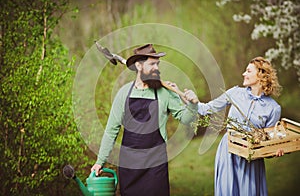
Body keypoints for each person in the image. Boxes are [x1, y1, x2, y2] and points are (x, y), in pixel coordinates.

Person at [91, 44, 199, 196]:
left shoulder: (165, 93)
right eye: (152, 64)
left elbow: (186, 119)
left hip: (156, 164)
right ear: (138, 65)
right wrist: (99, 162)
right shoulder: (123, 93)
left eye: (158, 64)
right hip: (129, 165)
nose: (156, 68)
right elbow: (111, 131)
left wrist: (193, 105)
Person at [185, 57, 284, 196]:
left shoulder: (273, 108)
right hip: (229, 151)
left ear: (261, 75)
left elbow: (267, 142)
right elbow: (206, 109)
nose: (244, 74)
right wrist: (194, 102)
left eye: (248, 71)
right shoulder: (235, 93)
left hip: (251, 158)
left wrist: (274, 151)